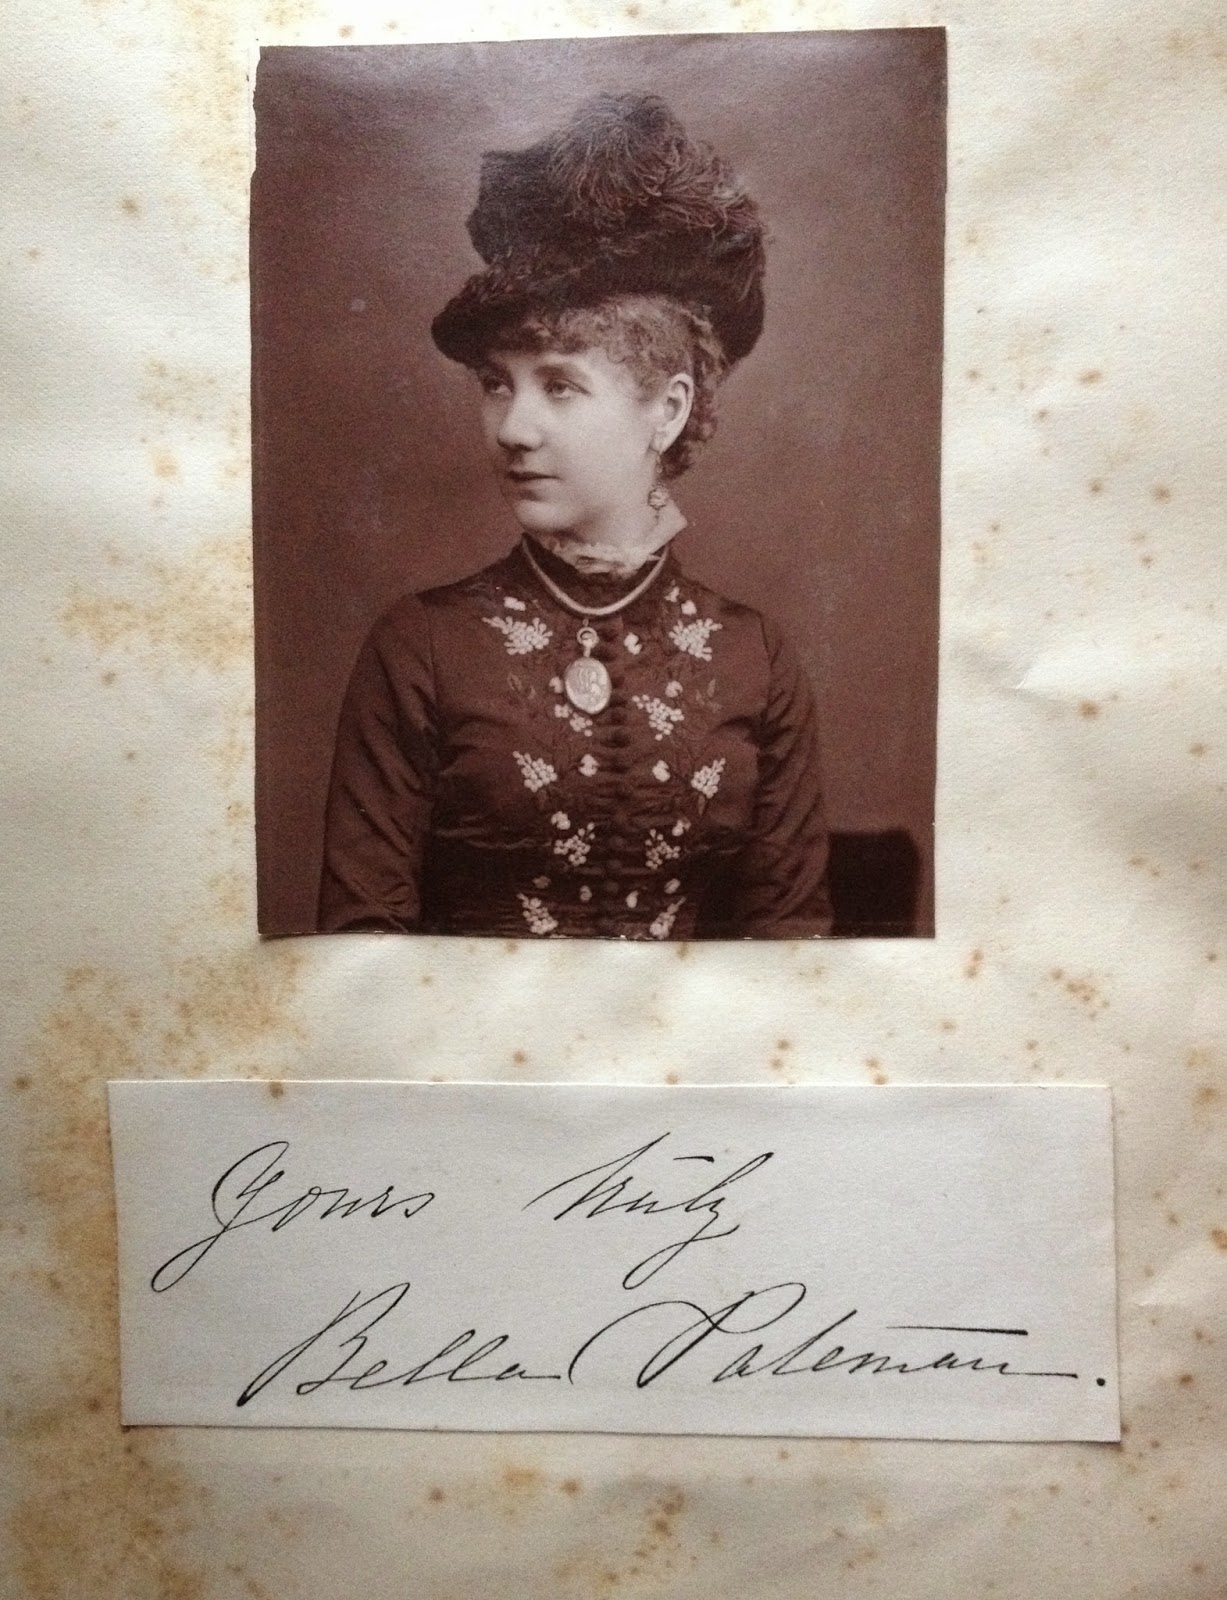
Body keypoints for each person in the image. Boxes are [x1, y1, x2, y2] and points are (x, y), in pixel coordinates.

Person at [318, 93, 831, 940]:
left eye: (559, 385)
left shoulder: (756, 659)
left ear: (666, 410)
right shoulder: (422, 648)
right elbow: (360, 954)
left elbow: (791, 949)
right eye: (497, 384)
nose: (513, 428)